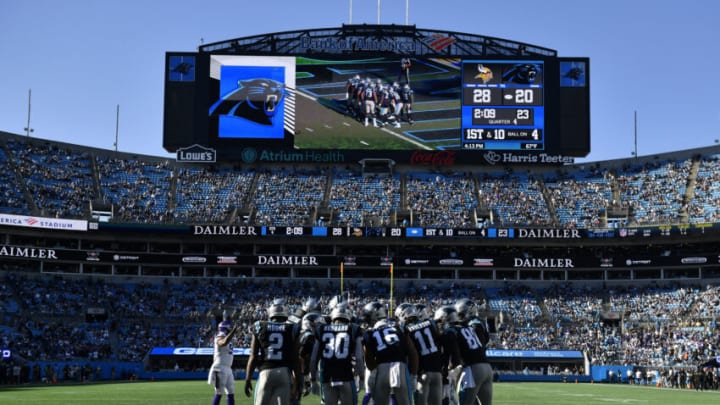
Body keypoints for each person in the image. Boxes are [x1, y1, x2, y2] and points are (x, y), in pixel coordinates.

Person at [362, 301, 419, 405]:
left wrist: (373, 372)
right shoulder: (399, 327)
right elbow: (412, 352)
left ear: (375, 316)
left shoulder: (370, 332)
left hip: (380, 368)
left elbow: (368, 356)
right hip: (400, 367)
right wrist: (414, 375)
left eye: (368, 317)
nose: (367, 320)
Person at [245, 302, 301, 405]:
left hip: (266, 372)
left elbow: (253, 356)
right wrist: (299, 383)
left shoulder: (259, 326)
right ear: (285, 314)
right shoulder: (292, 328)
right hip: (285, 373)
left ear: (270, 313)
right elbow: (295, 359)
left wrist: (248, 379)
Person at [310, 305, 364, 405]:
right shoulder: (353, 329)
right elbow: (359, 358)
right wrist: (361, 378)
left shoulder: (320, 329)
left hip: (327, 378)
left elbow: (313, 359)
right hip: (346, 377)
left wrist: (313, 379)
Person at [398, 303, 444, 405]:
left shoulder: (407, 331)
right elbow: (441, 343)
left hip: (422, 372)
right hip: (437, 370)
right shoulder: (431, 323)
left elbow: (411, 353)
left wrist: (413, 375)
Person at [208, 316, 239, 405]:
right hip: (219, 367)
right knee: (219, 392)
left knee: (231, 392)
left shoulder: (226, 336)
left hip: (228, 368)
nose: (231, 329)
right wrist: (233, 332)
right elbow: (223, 342)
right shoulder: (219, 336)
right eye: (230, 327)